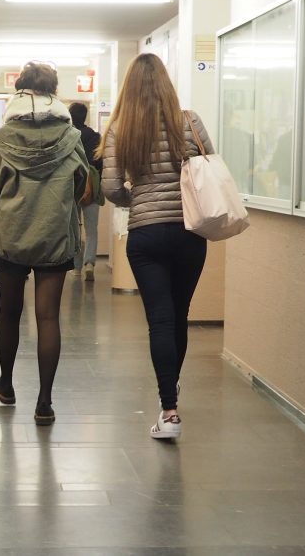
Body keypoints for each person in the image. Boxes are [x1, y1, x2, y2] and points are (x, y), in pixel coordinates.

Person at [98, 53, 213, 441]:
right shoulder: (189, 120)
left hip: (146, 234)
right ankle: (171, 389)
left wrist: (139, 200)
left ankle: (169, 410)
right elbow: (209, 164)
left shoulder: (119, 130)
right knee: (179, 316)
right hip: (189, 232)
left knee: (160, 320)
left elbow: (111, 187)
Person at [0, 62, 88, 425]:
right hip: (55, 235)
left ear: (20, 92)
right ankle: (44, 402)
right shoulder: (72, 138)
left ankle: (7, 384)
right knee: (48, 317)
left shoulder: (1, 138)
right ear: (52, 94)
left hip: (11, 235)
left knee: (9, 312)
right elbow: (80, 186)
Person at [69, 101, 103, 281]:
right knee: (92, 229)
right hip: (93, 183)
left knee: (74, 228)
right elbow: (100, 161)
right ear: (86, 115)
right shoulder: (95, 136)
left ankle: (76, 267)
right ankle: (89, 263)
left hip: (72, 184)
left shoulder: (67, 135)